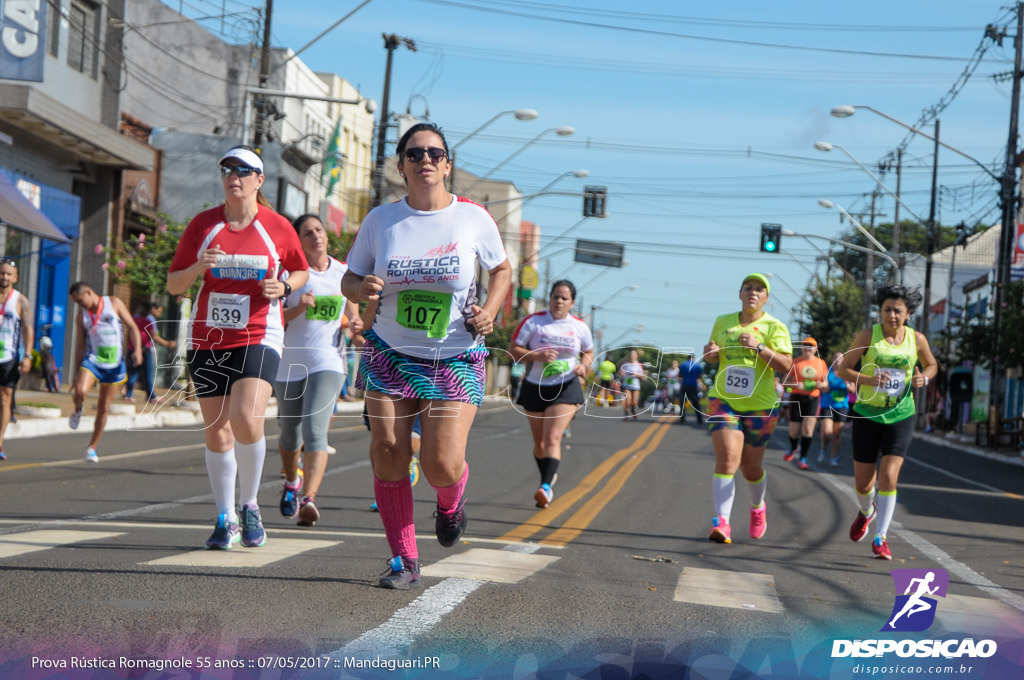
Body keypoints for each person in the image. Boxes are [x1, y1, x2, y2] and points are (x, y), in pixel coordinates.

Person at [341, 122, 512, 590]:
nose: (426, 161)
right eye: (415, 154)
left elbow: (501, 270)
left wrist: (490, 312)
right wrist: (363, 287)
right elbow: (349, 280)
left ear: (448, 164)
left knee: (439, 463)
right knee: (388, 450)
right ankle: (405, 561)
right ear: (401, 166)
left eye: (435, 153)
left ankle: (451, 501)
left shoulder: (473, 218)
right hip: (388, 352)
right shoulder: (381, 221)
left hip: (453, 356)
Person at [167, 145, 308, 550]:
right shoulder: (203, 225)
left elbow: (300, 269)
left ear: (259, 180)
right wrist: (198, 267)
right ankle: (224, 517)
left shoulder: (277, 227)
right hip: (209, 337)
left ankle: (250, 505)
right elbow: (175, 284)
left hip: (260, 332)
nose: (235, 176)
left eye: (244, 171)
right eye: (228, 169)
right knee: (217, 432)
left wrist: (284, 287)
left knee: (246, 416)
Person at [840, 285, 937, 561]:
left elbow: (932, 365)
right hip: (867, 414)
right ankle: (866, 511)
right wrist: (868, 379)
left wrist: (924, 378)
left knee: (890, 474)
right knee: (863, 483)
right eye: (887, 310)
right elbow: (843, 368)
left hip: (901, 414)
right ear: (880, 311)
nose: (892, 315)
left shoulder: (917, 339)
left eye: (898, 311)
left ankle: (881, 537)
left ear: (908, 314)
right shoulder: (868, 335)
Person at [275, 213, 360, 527]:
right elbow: (274, 318)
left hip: (329, 362)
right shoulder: (290, 274)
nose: (316, 236)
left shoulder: (342, 272)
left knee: (315, 431)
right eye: (308, 233)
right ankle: (291, 483)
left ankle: (309, 499)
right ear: (299, 241)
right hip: (290, 364)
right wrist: (299, 307)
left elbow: (352, 311)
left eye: (319, 230)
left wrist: (358, 322)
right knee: (289, 433)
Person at [703, 273, 792, 544]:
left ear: (766, 298)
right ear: (740, 294)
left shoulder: (775, 327)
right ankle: (723, 522)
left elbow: (787, 366)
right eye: (748, 288)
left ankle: (757, 507)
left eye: (759, 290)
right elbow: (711, 356)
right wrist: (710, 353)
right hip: (723, 399)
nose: (753, 293)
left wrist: (760, 347)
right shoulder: (723, 322)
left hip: (760, 405)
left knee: (751, 468)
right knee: (728, 458)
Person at [509, 280, 594, 509]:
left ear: (572, 303)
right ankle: (548, 476)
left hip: (566, 385)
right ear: (550, 299)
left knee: (552, 438)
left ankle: (545, 487)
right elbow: (513, 349)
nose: (559, 301)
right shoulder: (534, 321)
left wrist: (583, 366)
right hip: (535, 385)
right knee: (539, 444)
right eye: (556, 296)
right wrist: (537, 355)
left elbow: (588, 350)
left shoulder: (579, 326)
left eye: (564, 298)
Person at [68, 282, 143, 463]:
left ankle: (92, 447)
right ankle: (78, 408)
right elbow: (80, 345)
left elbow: (132, 326)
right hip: (93, 359)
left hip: (115, 363)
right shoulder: (82, 315)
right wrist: (76, 372)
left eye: (80, 301)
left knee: (104, 407)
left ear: (88, 292)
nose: (79, 305)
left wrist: (138, 350)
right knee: (80, 390)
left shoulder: (114, 303)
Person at [0, 259, 33, 461]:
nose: (4, 277)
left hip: (9, 357)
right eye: (2, 273)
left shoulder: (21, 301)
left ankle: (0, 442)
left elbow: (28, 328)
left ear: (16, 277)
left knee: (5, 399)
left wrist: (27, 355)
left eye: (9, 274)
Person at [783, 337, 829, 470]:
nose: (808, 348)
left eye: (811, 346)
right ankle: (793, 446)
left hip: (813, 399)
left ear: (816, 349)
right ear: (802, 348)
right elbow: (785, 381)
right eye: (805, 345)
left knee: (808, 430)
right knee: (794, 431)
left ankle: (803, 458)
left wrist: (822, 384)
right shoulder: (796, 362)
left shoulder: (821, 363)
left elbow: (826, 383)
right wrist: (796, 384)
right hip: (797, 397)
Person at [126, 302, 177, 404]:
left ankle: (128, 394)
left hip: (133, 348)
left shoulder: (134, 319)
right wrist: (167, 344)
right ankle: (151, 396)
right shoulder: (149, 321)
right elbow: (153, 336)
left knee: (133, 372)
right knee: (148, 373)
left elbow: (129, 332)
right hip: (145, 349)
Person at [818, 350, 852, 467]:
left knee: (837, 434)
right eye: (836, 358)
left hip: (842, 407)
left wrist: (846, 382)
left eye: (840, 359)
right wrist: (825, 385)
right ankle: (823, 448)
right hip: (827, 405)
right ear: (833, 360)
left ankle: (833, 456)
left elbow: (853, 390)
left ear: (843, 360)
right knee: (827, 431)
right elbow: (825, 389)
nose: (838, 361)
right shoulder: (827, 371)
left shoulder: (847, 373)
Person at [619, 350, 645, 420]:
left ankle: (633, 410)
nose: (632, 356)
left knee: (634, 403)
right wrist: (622, 373)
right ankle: (626, 414)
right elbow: (621, 372)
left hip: (635, 385)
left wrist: (636, 374)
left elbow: (642, 376)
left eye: (634, 355)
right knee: (628, 401)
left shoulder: (639, 365)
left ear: (636, 356)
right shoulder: (625, 364)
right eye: (631, 355)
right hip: (627, 385)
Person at [679, 353, 704, 424]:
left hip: (684, 385)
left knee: (682, 402)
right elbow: (700, 376)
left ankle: (682, 418)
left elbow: (680, 375)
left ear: (687, 358)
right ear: (693, 358)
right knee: (696, 402)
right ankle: (699, 419)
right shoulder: (697, 365)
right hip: (693, 386)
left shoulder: (683, 365)